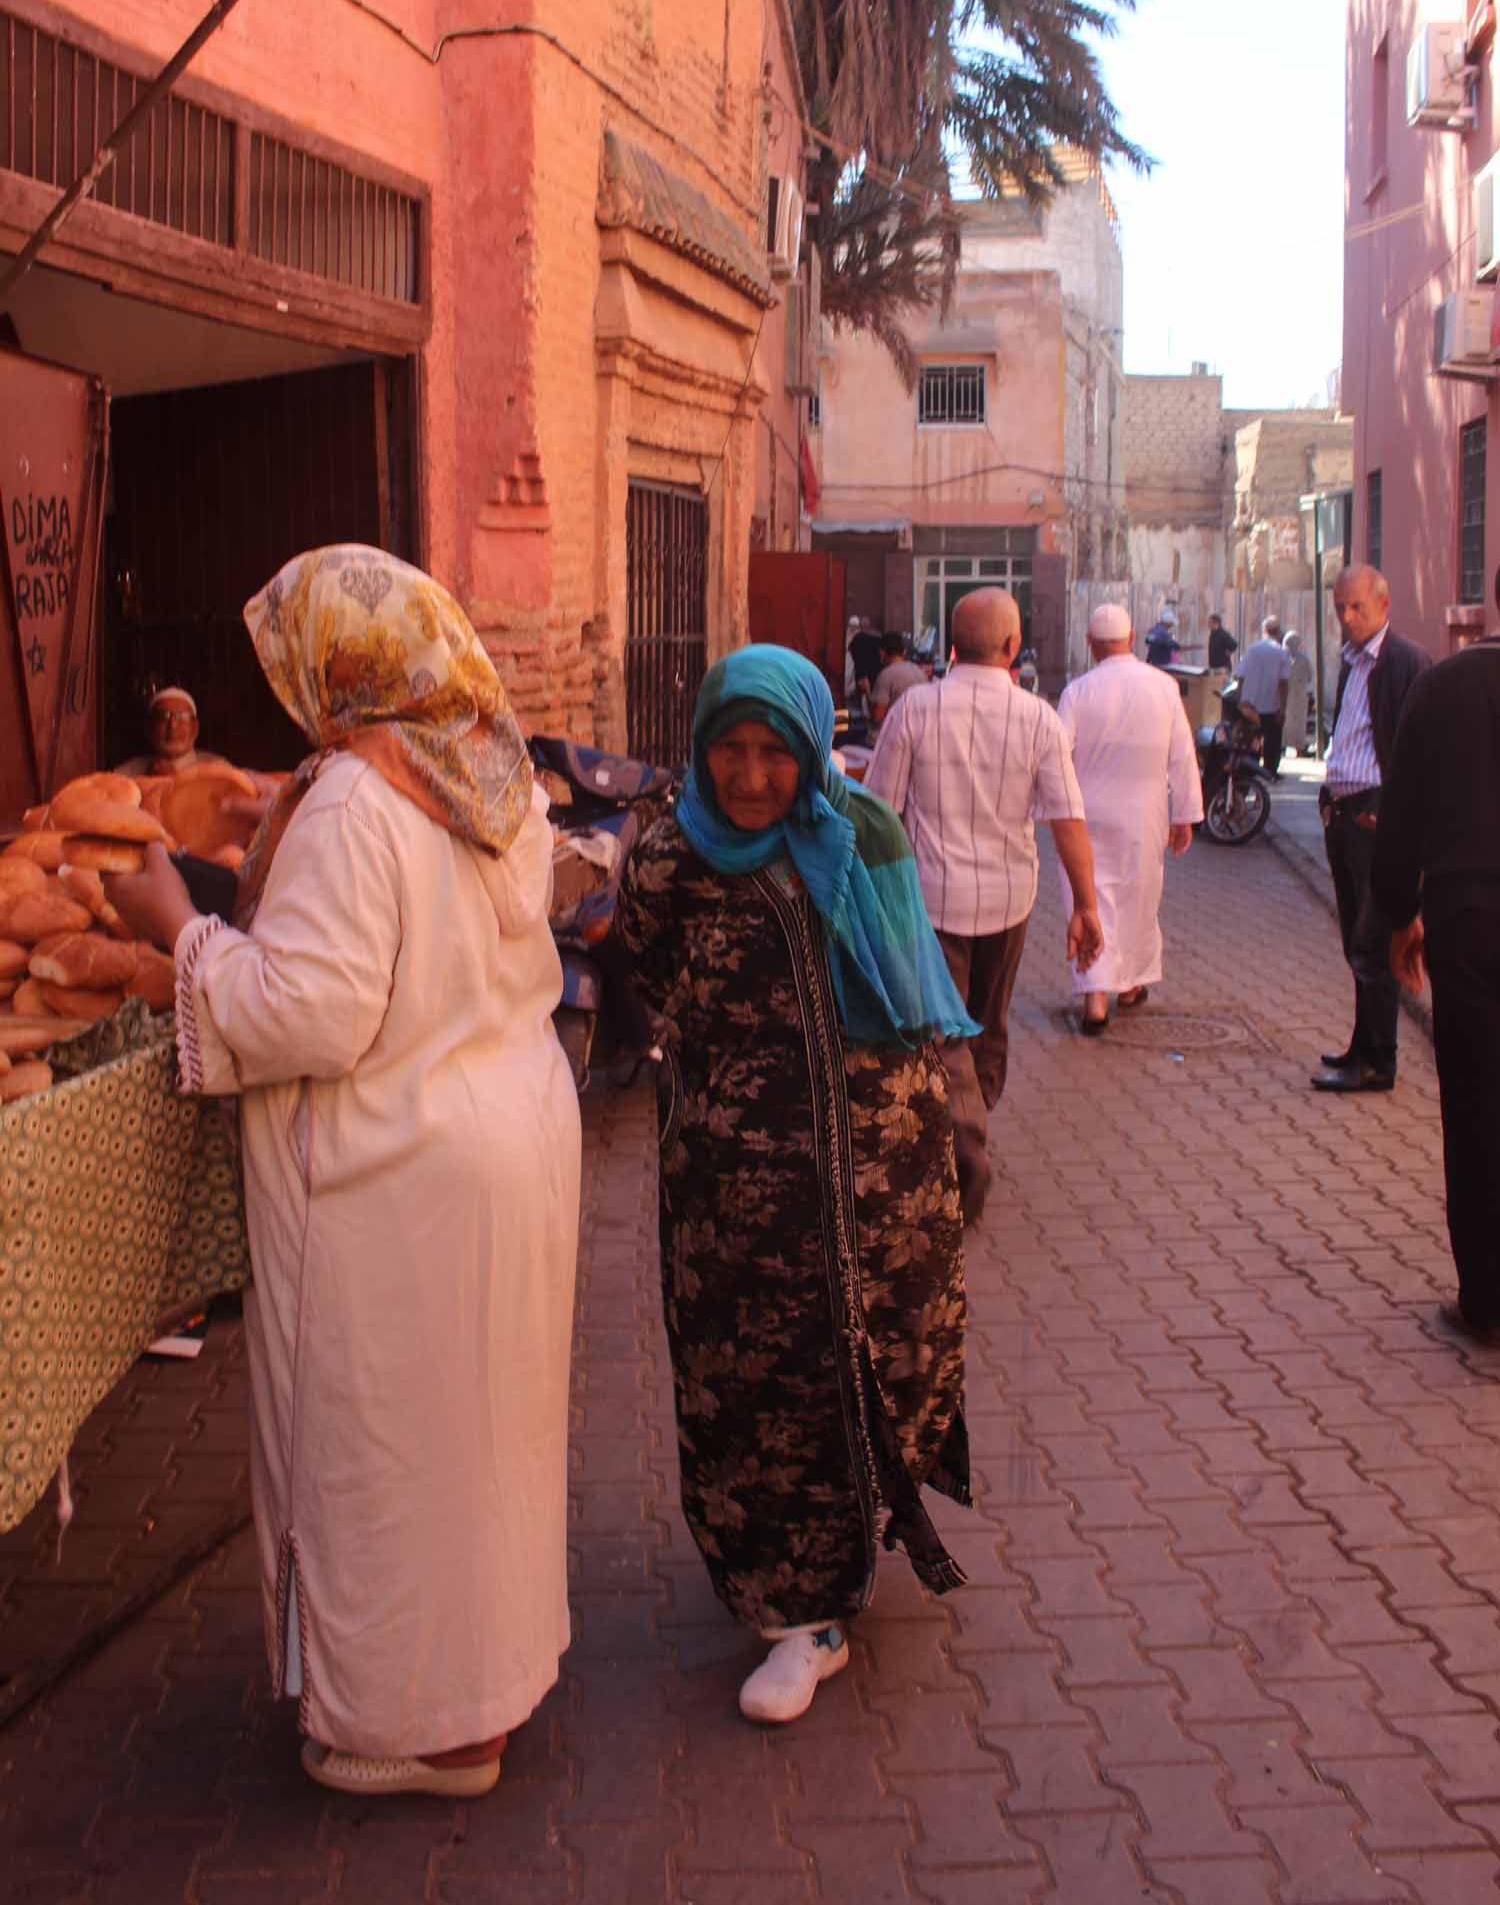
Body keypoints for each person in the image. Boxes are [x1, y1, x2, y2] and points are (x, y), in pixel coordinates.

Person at [108, 546, 582, 1797]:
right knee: (481, 1446)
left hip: (396, 1178)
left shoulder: (359, 805)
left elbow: (310, 1011)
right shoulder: (486, 769)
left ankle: (406, 1727)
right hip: (505, 1137)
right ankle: (478, 1705)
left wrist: (178, 929)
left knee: (382, 1452)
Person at [614, 646, 976, 1725]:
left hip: (879, 1165)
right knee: (752, 1373)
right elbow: (647, 978)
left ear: (813, 746)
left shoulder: (861, 834)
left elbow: (911, 993)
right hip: (737, 1182)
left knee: (885, 1352)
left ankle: (838, 1561)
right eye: (731, 747)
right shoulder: (670, 855)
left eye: (778, 752)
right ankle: (796, 1607)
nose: (755, 776)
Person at [865, 586, 1102, 1211]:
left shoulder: (914, 710)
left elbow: (880, 813)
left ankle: (961, 1135)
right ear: (1014, 646)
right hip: (1010, 903)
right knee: (986, 1026)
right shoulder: (1038, 718)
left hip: (931, 901)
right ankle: (969, 1143)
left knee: (947, 1029)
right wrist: (1086, 905)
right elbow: (1068, 819)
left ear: (949, 642)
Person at [1372, 581, 1500, 1344]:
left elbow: (1403, 814)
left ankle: (1486, 1301)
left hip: (1468, 919)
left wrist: (1400, 914)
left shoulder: (1443, 688)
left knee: (1477, 1102)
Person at [1058, 603, 1203, 1033]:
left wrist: (1049, 810)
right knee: (1138, 899)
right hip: (1144, 815)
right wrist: (1185, 815)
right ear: (1133, 636)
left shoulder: (1077, 691)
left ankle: (1094, 999)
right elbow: (1183, 755)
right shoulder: (1163, 687)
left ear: (1090, 644)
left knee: (1089, 898)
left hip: (1086, 815)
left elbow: (1057, 754)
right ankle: (1128, 987)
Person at [1312, 563, 1429, 1094]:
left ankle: (1380, 1061)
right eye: (1340, 607)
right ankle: (1363, 1045)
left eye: (1356, 607)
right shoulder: (1350, 660)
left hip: (1375, 816)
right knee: (1356, 941)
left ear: (1384, 604)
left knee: (1376, 940)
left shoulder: (1405, 662)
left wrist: (1397, 812)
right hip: (1344, 814)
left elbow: (1416, 745)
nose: (1346, 616)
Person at [117, 686, 220, 777]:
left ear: (195, 728)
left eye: (182, 717)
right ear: (149, 728)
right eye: (163, 717)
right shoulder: (125, 774)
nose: (173, 726)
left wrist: (173, 780)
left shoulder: (220, 771)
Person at [1236, 617, 1291, 777]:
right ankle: (1270, 770)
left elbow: (1241, 676)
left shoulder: (1252, 650)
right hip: (1271, 704)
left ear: (1264, 631)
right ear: (1278, 633)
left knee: (1249, 738)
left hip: (1250, 704)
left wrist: (1240, 700)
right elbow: (1283, 683)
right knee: (1272, 739)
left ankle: (1248, 769)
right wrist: (1282, 708)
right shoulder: (1281, 653)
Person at [870, 629, 926, 726]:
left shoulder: (886, 675)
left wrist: (867, 692)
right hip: (917, 733)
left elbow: (877, 716)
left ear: (882, 652)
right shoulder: (919, 672)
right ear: (904, 651)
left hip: (892, 735)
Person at [1283, 629, 1314, 759]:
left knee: (1285, 724)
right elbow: (1310, 676)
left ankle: (1282, 750)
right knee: (1299, 725)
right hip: (1300, 698)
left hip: (1285, 697)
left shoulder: (1282, 658)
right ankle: (1299, 751)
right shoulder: (1304, 659)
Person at [849, 616, 884, 708]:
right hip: (874, 669)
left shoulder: (857, 638)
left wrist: (857, 660)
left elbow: (851, 649)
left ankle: (861, 706)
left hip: (862, 668)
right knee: (872, 689)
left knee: (861, 690)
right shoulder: (877, 636)